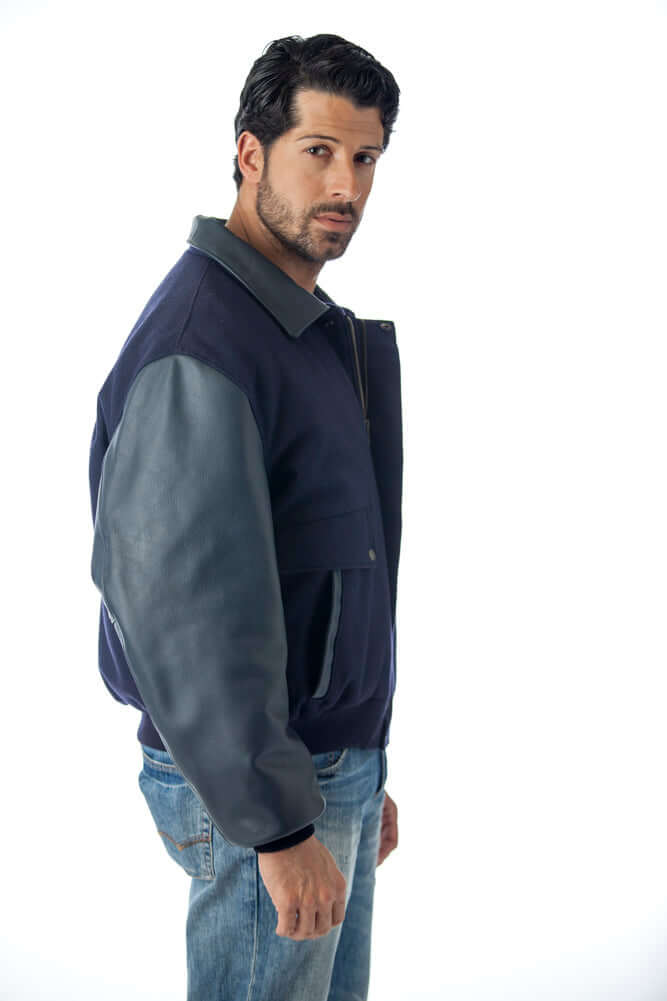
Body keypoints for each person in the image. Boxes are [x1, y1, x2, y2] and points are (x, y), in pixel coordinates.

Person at [88, 32, 403, 1001]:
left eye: (365, 157)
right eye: (319, 150)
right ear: (250, 153)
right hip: (262, 787)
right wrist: (278, 820)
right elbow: (182, 611)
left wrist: (359, 762)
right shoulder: (204, 341)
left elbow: (323, 562)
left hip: (318, 765)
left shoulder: (294, 327)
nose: (345, 184)